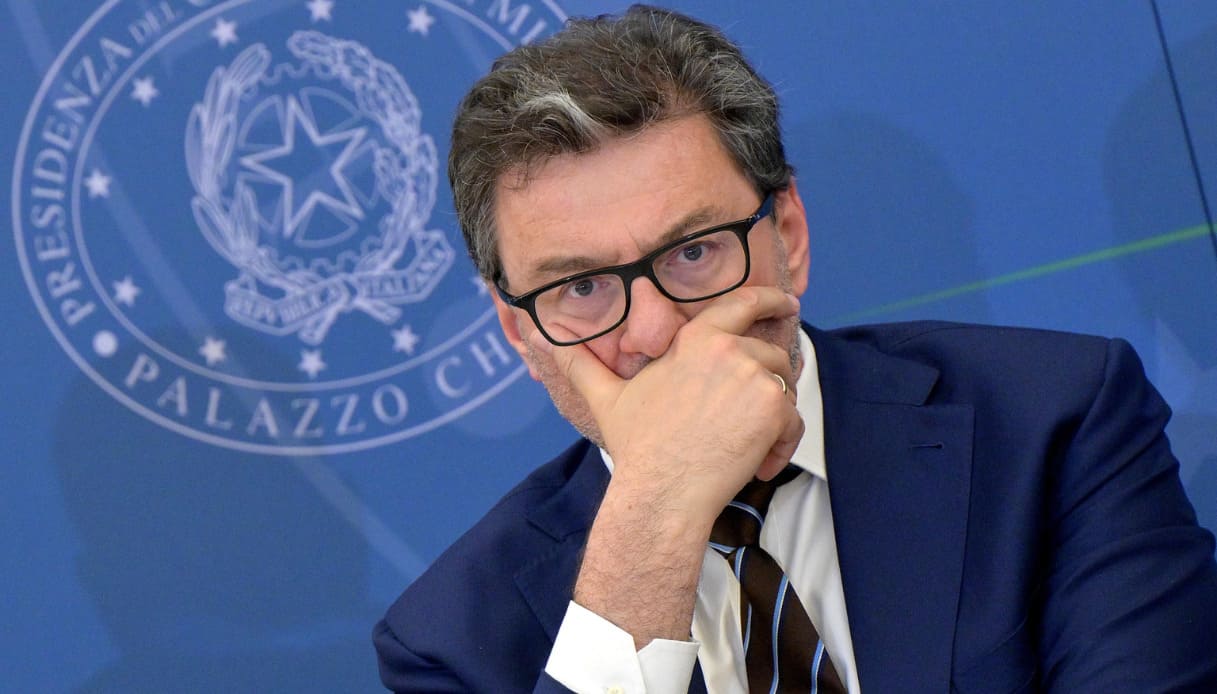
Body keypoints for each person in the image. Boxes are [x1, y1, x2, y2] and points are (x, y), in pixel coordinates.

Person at [373, 5, 1217, 692]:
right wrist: (656, 510)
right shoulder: (452, 643)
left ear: (788, 235)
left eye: (692, 252)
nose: (656, 332)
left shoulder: (1054, 425)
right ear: (520, 332)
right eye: (582, 287)